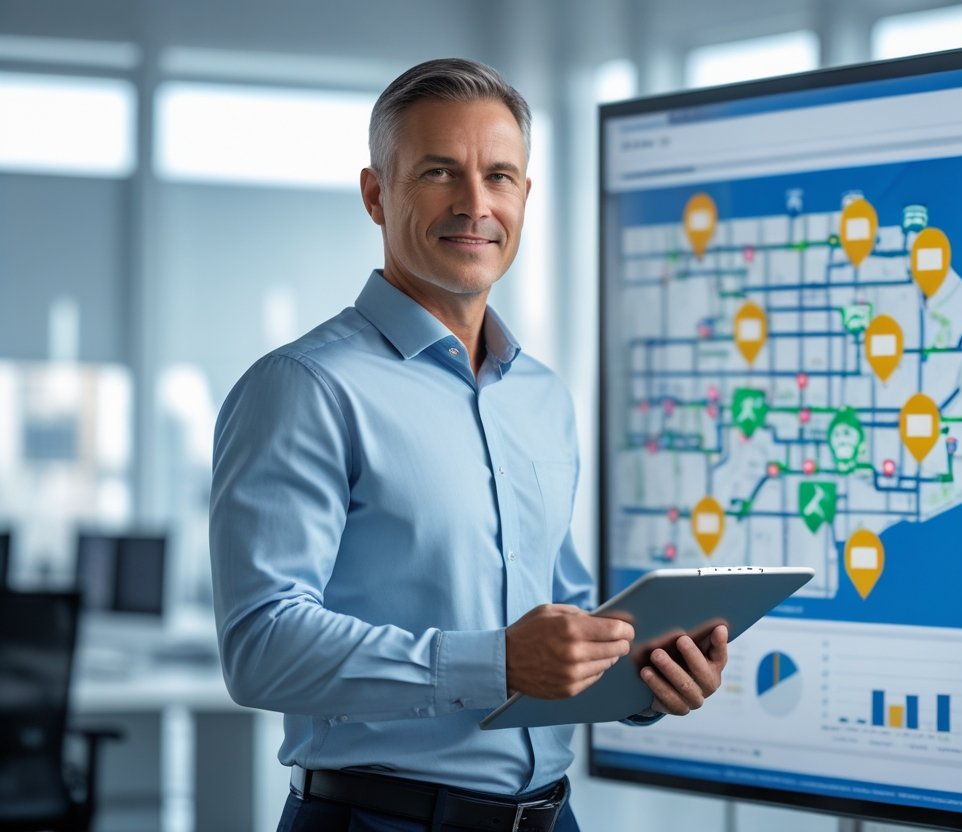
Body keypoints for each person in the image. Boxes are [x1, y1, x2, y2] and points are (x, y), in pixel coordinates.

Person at [209, 57, 729, 832]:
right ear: (376, 194)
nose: (475, 204)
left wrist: (644, 679)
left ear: (525, 196)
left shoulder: (543, 397)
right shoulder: (304, 387)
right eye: (439, 173)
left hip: (553, 819)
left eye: (501, 177)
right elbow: (261, 645)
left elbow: (560, 619)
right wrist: (496, 663)